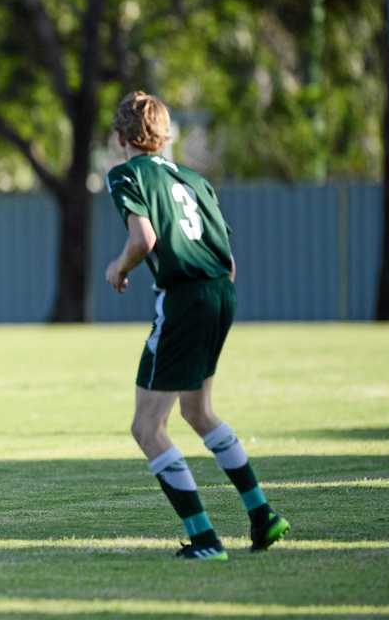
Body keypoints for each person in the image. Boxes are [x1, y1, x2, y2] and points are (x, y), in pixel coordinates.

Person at [104, 91, 289, 560]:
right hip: (221, 292)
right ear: (165, 135)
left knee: (148, 427)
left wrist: (119, 267)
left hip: (184, 296)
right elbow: (228, 261)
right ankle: (261, 514)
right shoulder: (194, 179)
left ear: (122, 137)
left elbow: (143, 238)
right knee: (199, 412)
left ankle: (205, 538)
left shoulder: (127, 173)